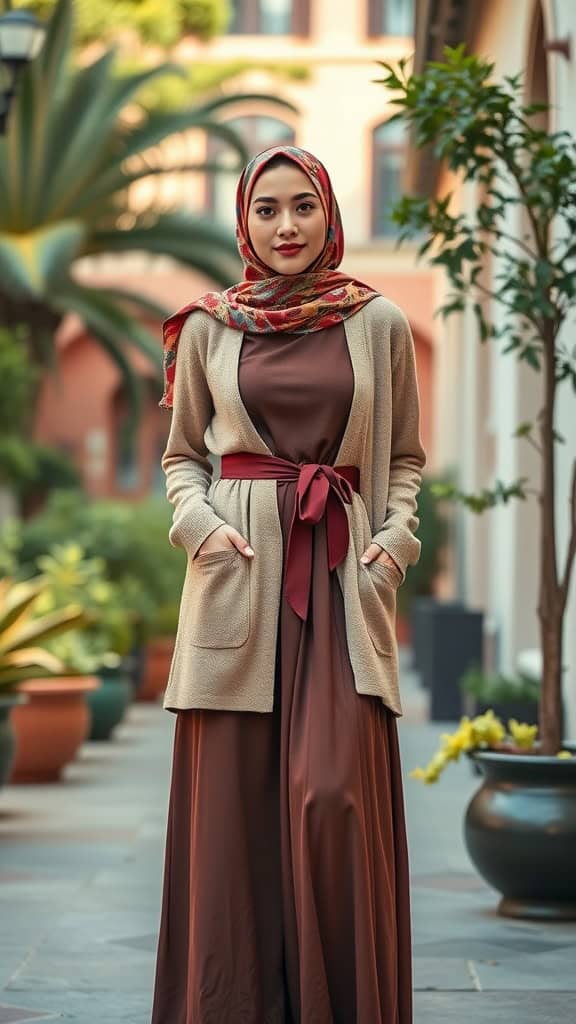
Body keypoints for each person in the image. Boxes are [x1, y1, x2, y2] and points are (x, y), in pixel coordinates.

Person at [151, 145, 426, 1024]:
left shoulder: (378, 321)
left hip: (343, 577)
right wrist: (203, 530)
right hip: (240, 579)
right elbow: (182, 456)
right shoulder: (207, 325)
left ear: (329, 212)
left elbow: (408, 457)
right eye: (266, 210)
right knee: (232, 823)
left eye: (302, 206)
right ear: (245, 221)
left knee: (332, 795)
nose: (286, 227)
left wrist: (393, 543)